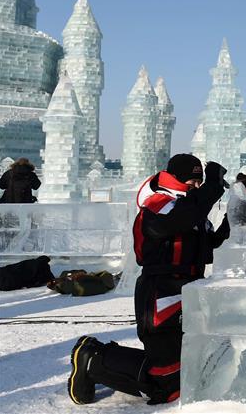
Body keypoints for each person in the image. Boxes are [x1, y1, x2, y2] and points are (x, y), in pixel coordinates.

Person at [67, 154, 230, 405]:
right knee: (165, 382)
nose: (196, 187)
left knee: (183, 371)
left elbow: (208, 244)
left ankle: (102, 360)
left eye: (199, 183)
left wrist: (237, 214)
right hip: (160, 293)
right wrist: (212, 187)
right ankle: (93, 358)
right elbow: (180, 220)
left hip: (187, 289)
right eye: (192, 182)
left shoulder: (189, 207)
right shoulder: (158, 203)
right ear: (175, 179)